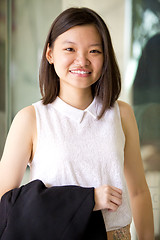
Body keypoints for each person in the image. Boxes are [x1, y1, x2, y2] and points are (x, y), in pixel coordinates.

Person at [0, 7, 154, 239]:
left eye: (94, 51)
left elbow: (139, 192)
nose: (82, 61)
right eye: (70, 49)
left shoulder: (121, 114)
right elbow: (5, 202)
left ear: (105, 57)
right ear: (50, 54)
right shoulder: (31, 118)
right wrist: (88, 199)